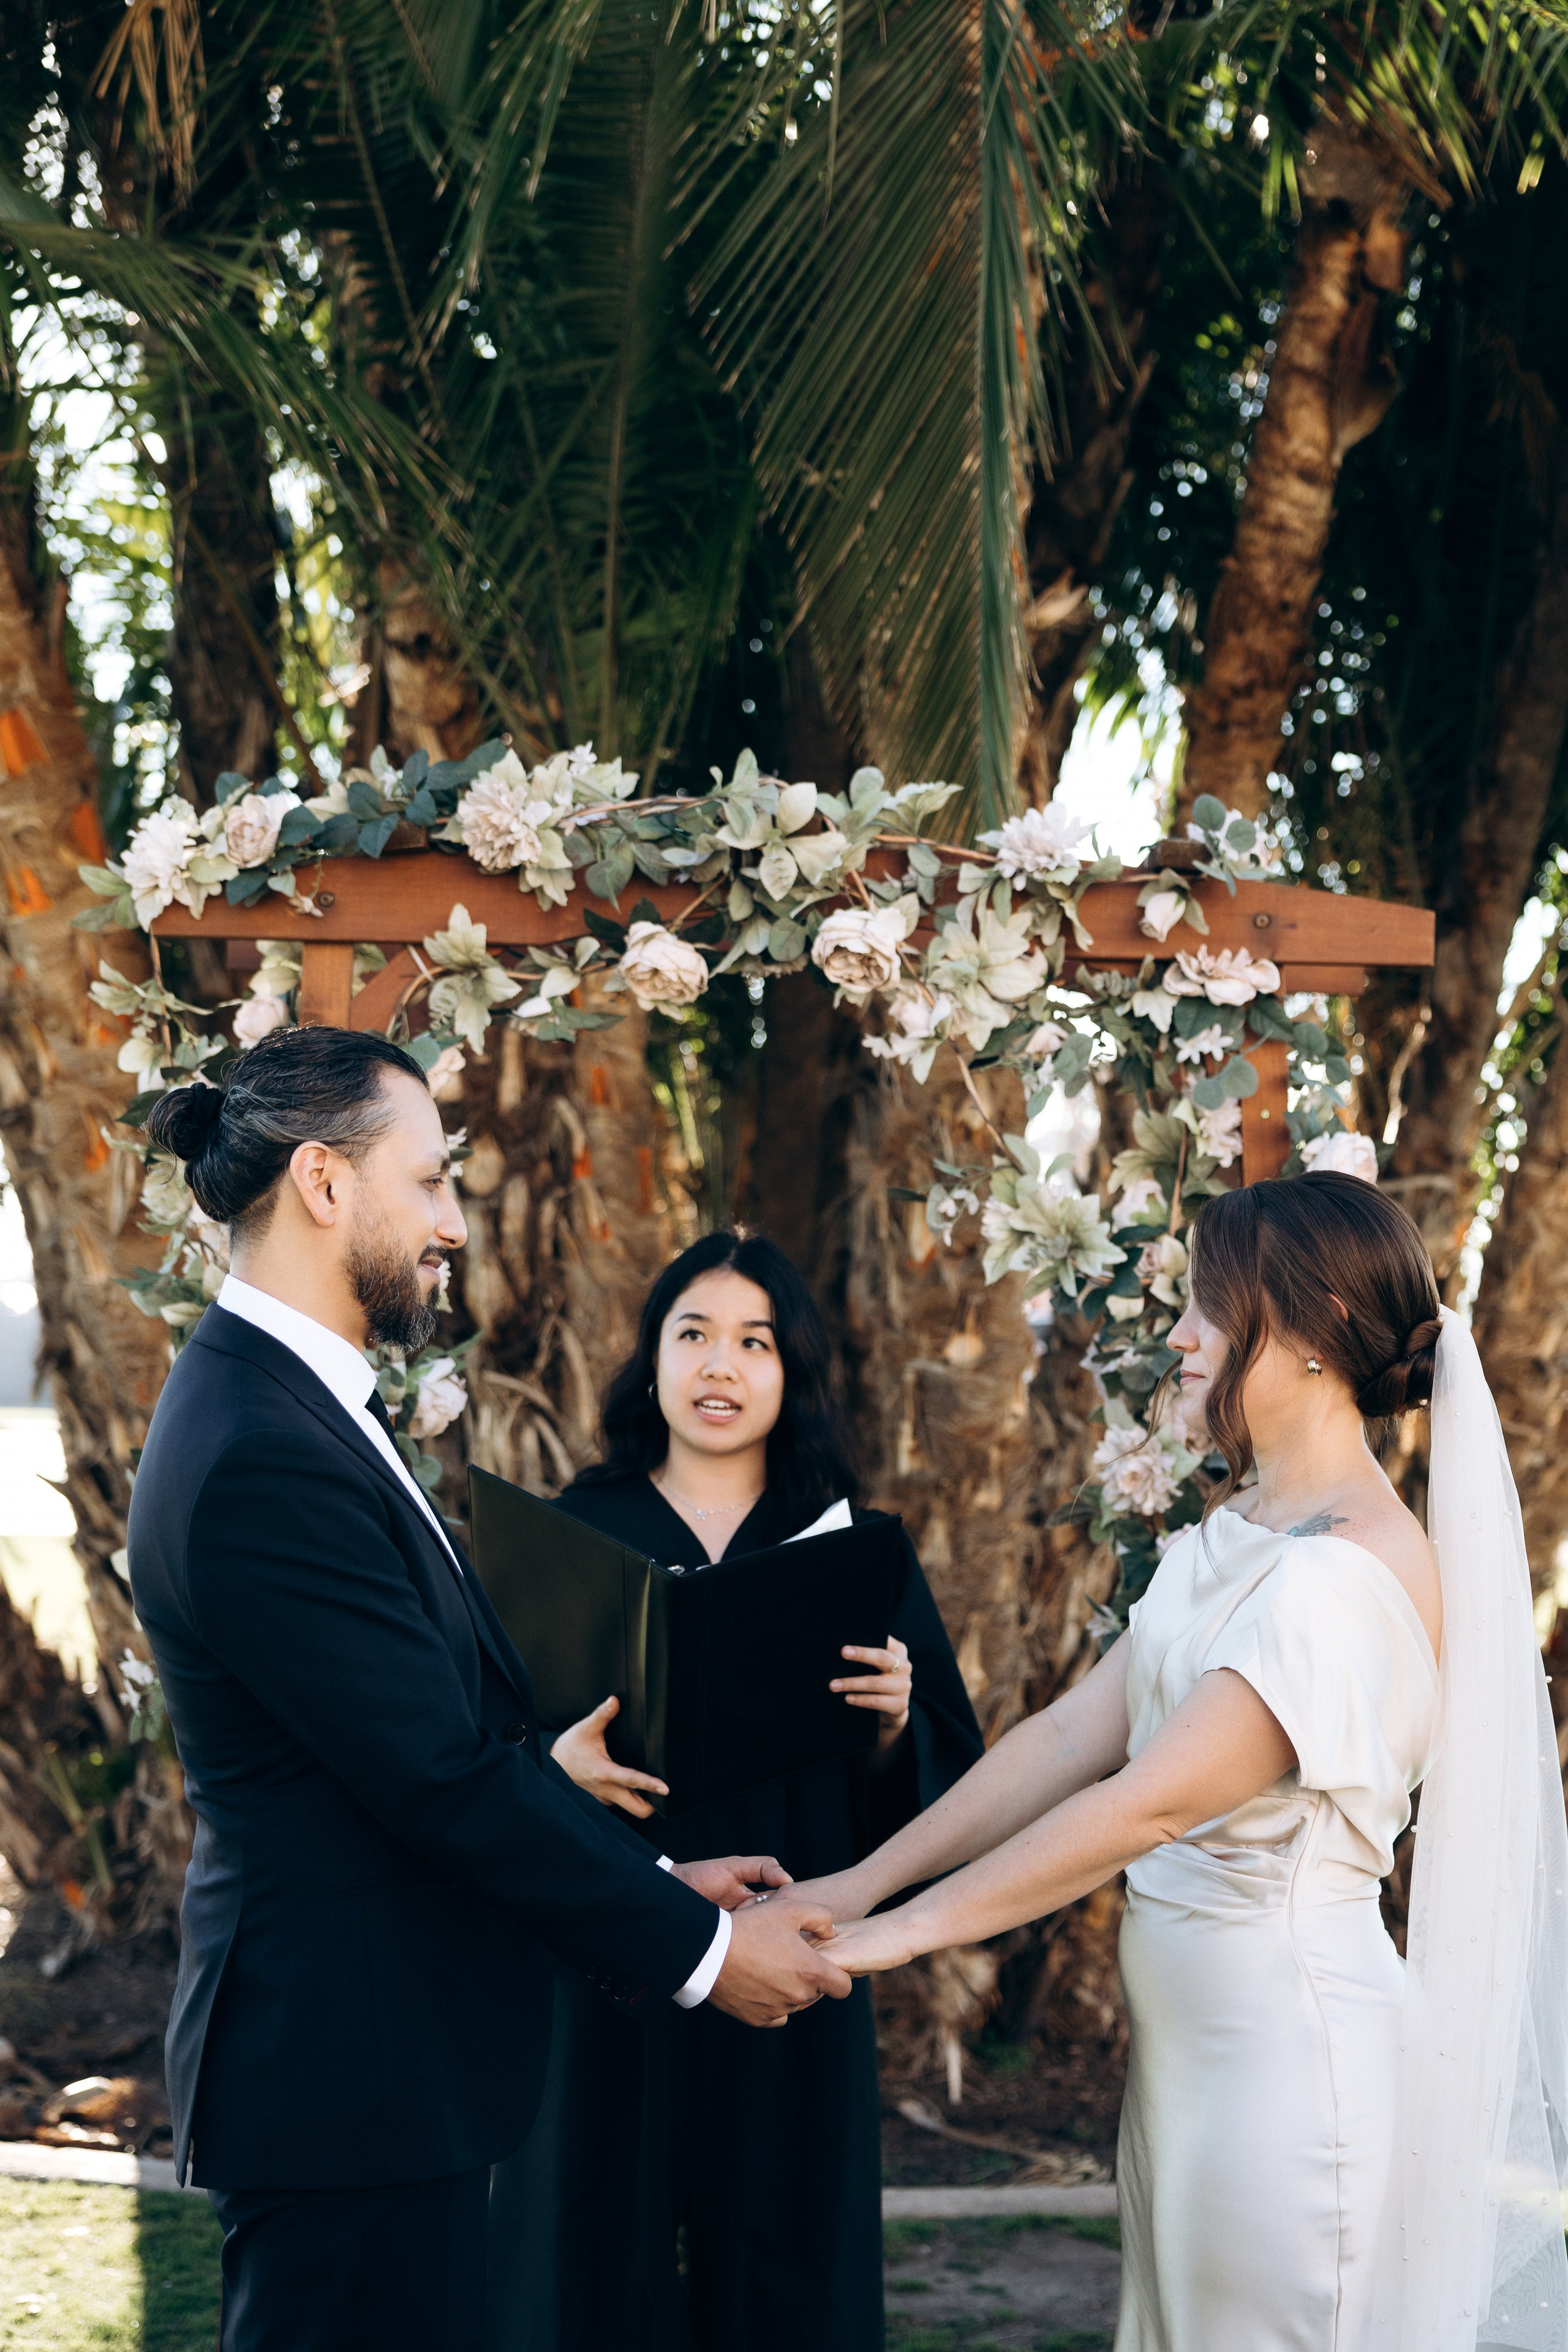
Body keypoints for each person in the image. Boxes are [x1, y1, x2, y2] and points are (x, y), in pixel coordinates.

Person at [127, 1028, 850, 2352]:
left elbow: (421, 1747)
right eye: (430, 1180)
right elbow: (440, 1786)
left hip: (386, 2071)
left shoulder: (296, 1404)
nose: (455, 1221)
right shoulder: (257, 1452)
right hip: (346, 2080)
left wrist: (647, 1881)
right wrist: (696, 1957)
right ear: (323, 1186)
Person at [796, 1170, 1568, 2350]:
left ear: (1312, 1334)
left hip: (1288, 2075)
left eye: (1210, 1305)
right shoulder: (1241, 1530)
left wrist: (897, 1937)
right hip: (1191, 2069)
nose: (1182, 1334)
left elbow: (1142, 1807)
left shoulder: (1344, 1579)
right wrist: (854, 1886)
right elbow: (1068, 1737)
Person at [484, 1231, 983, 2352]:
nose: (721, 1367)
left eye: (755, 1343)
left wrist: (901, 1725)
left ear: (792, 1372)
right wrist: (554, 1763)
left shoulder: (855, 1553)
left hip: (793, 1944)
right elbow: (481, 1756)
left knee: (785, 2249)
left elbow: (950, 1794)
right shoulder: (576, 1531)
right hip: (610, 1952)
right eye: (693, 1335)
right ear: (651, 1361)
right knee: (586, 2242)